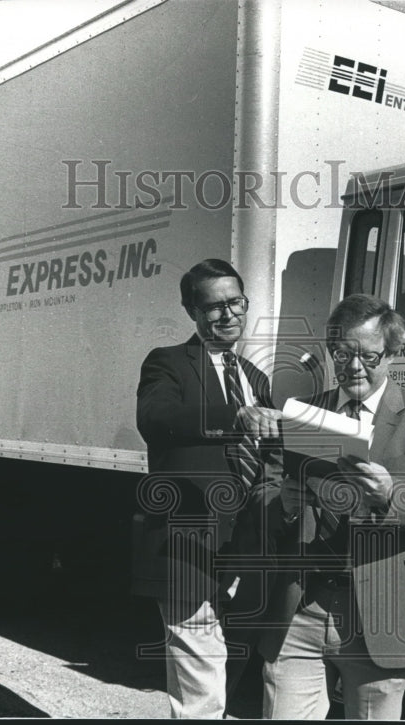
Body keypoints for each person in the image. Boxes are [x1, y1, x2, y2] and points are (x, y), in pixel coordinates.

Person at [259, 293, 405, 720]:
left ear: (391, 356)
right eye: (343, 354)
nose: (354, 367)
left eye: (368, 356)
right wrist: (286, 504)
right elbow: (265, 495)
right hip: (302, 607)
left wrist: (392, 493)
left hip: (383, 610)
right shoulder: (304, 412)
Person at [135, 258, 282, 719]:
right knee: (200, 672)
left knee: (226, 662)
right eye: (214, 307)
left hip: (246, 546)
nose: (228, 315)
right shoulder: (168, 363)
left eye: (235, 302)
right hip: (189, 542)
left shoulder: (256, 379)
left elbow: (270, 458)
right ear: (191, 312)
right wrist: (232, 419)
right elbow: (155, 419)